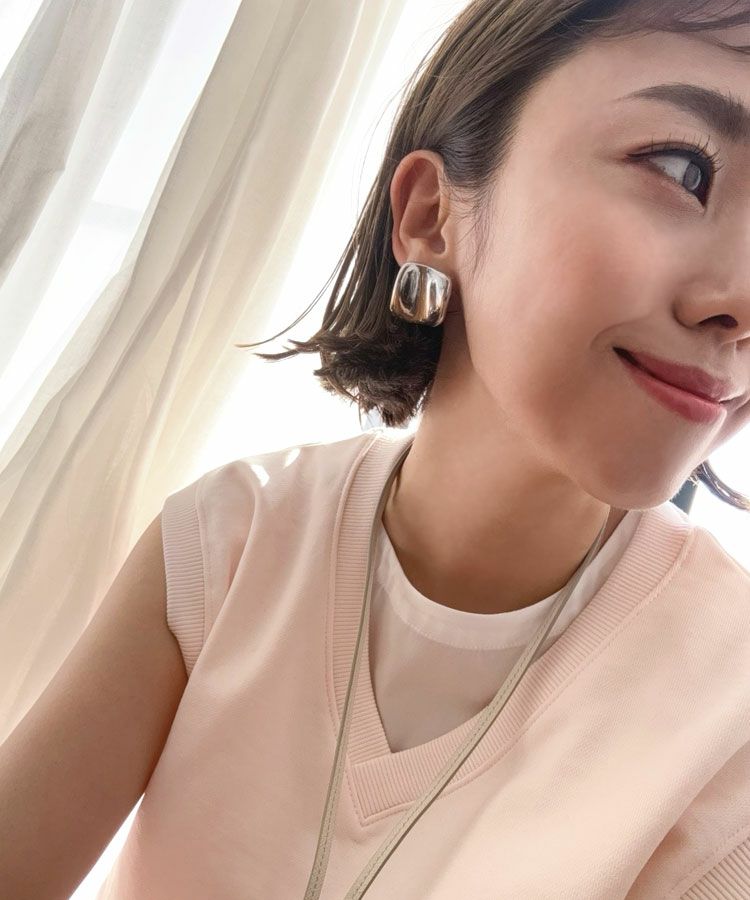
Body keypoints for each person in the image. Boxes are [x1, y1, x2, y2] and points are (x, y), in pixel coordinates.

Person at [3, 1, 750, 898]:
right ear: (431, 215)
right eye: (681, 169)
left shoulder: (729, 703)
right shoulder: (234, 544)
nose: (741, 300)